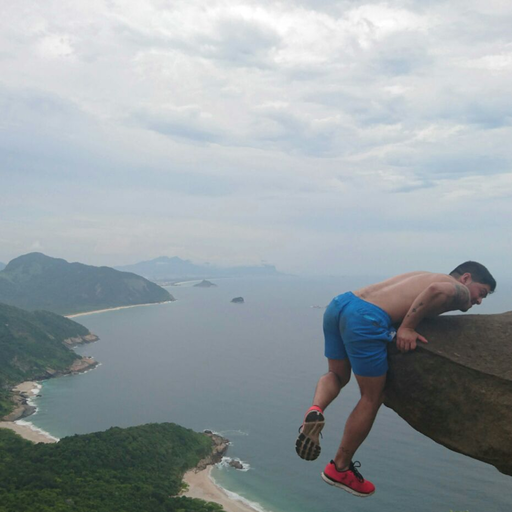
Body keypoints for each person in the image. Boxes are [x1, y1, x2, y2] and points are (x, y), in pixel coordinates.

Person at [295, 261, 496, 497]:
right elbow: (437, 292)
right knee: (373, 396)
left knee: (337, 375)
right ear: (466, 278)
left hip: (342, 303)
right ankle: (339, 467)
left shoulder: (425, 274)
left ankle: (316, 409)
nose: (479, 301)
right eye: (481, 293)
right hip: (366, 317)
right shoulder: (457, 290)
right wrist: (407, 327)